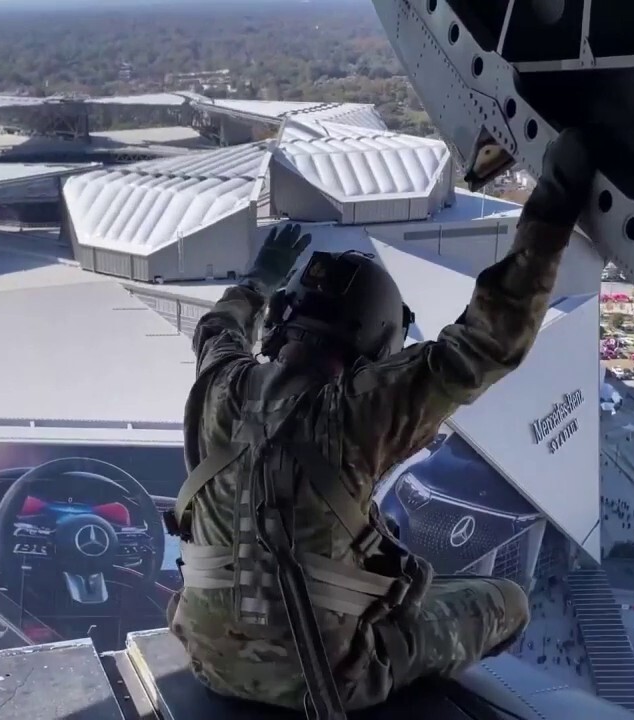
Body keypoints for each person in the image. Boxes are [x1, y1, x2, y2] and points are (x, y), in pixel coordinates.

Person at [165, 130, 596, 714]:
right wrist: (554, 209)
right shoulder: (361, 409)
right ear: (375, 342)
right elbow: (489, 340)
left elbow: (217, 329)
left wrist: (255, 284)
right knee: (506, 600)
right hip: (325, 681)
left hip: (208, 660)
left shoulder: (220, 384)